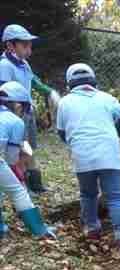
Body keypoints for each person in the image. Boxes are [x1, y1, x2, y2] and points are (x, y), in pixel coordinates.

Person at [56, 64, 120, 253]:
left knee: (88, 195)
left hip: (83, 156)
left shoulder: (64, 102)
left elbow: (62, 133)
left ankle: (92, 230)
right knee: (114, 197)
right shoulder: (107, 98)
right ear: (93, 81)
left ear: (69, 83)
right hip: (109, 153)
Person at [0, 24, 61, 194]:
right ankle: (22, 185)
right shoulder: (5, 65)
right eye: (24, 45)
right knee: (19, 149)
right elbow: (4, 93)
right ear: (10, 45)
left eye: (30, 45)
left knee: (29, 147)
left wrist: (49, 92)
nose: (29, 50)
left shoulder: (24, 64)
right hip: (14, 113)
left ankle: (35, 183)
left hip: (27, 111)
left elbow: (33, 80)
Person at [0, 81, 55, 238]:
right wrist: (20, 173)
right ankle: (40, 231)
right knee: (18, 192)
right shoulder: (15, 121)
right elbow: (11, 159)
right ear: (17, 105)